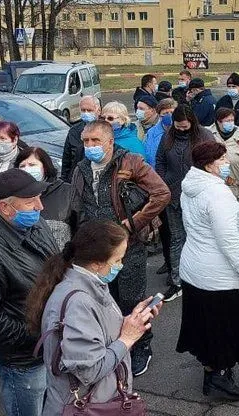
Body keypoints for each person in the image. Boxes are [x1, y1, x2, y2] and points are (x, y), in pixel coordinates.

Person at [68, 120, 170, 375]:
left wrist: (133, 223)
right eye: (86, 141)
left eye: (95, 141)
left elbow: (161, 193)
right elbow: (76, 207)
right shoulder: (81, 169)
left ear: (110, 141)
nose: (90, 146)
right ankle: (114, 345)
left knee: (131, 299)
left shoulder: (130, 162)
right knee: (103, 300)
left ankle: (141, 346)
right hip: (95, 249)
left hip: (128, 246)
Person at [28, 219, 159, 414]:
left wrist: (132, 320)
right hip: (85, 406)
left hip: (99, 401)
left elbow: (98, 331)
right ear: (97, 263)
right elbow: (90, 370)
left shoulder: (91, 283)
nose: (121, 266)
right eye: (117, 260)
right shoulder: (78, 303)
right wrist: (128, 338)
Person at [0, 169, 60, 416]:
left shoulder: (33, 222)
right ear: (5, 208)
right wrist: (32, 336)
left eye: (38, 198)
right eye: (30, 202)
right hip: (23, 361)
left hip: (48, 345)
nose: (40, 206)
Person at [176, 140, 239, 401]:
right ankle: (217, 378)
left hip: (194, 268)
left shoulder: (191, 186)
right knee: (227, 326)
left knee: (205, 326)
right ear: (209, 165)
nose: (227, 164)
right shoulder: (216, 194)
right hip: (219, 275)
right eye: (222, 160)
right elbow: (229, 240)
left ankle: (214, 373)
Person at [156, 105, 215, 301]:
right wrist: (164, 184)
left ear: (192, 122)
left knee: (200, 237)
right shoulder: (168, 137)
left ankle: (201, 275)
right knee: (177, 239)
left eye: (184, 126)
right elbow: (160, 162)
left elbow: (214, 162)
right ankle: (177, 281)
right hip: (173, 196)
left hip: (199, 196)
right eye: (178, 126)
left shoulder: (204, 136)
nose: (181, 129)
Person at [16, 147, 73, 244]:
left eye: (32, 165)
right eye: (22, 166)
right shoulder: (14, 195)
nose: (26, 169)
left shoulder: (67, 191)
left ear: (45, 167)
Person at [209, 107, 239, 200]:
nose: (230, 123)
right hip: (212, 182)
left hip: (234, 184)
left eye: (232, 120)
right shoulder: (209, 135)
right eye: (227, 120)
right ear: (218, 121)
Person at [60, 95, 100, 182]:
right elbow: (67, 160)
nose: (86, 113)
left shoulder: (106, 130)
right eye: (83, 110)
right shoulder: (74, 131)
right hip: (76, 179)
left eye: (89, 110)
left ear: (98, 111)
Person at [144, 98, 178, 167]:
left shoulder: (183, 130)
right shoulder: (151, 133)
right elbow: (148, 155)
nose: (169, 115)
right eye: (165, 113)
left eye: (172, 112)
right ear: (159, 115)